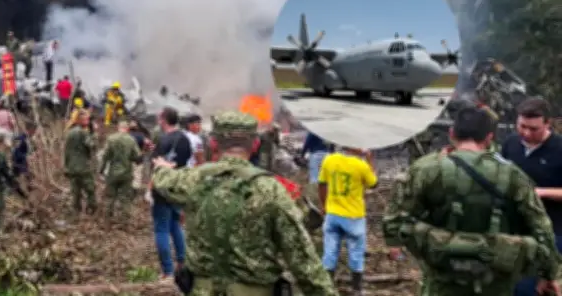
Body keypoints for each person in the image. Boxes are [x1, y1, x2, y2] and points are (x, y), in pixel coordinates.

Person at [151, 111, 338, 296]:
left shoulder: (193, 180)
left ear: (214, 143)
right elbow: (304, 262)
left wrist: (162, 168)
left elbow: (164, 180)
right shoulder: (271, 189)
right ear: (255, 144)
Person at [383, 106, 560, 296]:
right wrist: (550, 274)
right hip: (495, 276)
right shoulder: (513, 175)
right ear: (489, 138)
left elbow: (395, 220)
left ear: (451, 133)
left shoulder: (425, 169)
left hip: (443, 275)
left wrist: (412, 242)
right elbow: (541, 226)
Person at [499, 97, 562, 296]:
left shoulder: (559, 150)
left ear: (547, 124)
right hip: (513, 228)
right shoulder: (510, 143)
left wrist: (540, 193)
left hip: (550, 230)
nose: (526, 133)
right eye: (522, 126)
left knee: (528, 287)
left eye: (533, 129)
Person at [318, 147, 376, 294]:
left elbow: (322, 184)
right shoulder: (360, 165)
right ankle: (356, 289)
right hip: (353, 216)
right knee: (356, 253)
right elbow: (373, 183)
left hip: (333, 214)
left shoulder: (329, 160)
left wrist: (324, 206)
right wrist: (369, 160)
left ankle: (327, 286)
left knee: (330, 252)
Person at [148, 107, 191, 280]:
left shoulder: (164, 140)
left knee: (161, 229)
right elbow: (183, 161)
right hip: (178, 187)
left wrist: (150, 188)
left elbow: (156, 166)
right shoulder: (184, 139)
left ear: (163, 120)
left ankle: (167, 271)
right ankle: (183, 262)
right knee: (175, 225)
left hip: (162, 189)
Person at [100, 121, 143, 223]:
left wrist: (101, 170)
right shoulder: (131, 140)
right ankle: (124, 222)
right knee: (125, 198)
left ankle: (107, 219)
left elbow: (105, 156)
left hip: (113, 172)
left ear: (118, 127)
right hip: (126, 173)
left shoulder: (111, 139)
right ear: (127, 129)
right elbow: (137, 157)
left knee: (110, 197)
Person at [63, 111, 97, 214]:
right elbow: (91, 145)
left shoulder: (69, 132)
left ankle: (76, 212)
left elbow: (66, 152)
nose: (88, 121)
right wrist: (94, 133)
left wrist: (66, 166)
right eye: (87, 119)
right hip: (83, 166)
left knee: (76, 192)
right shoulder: (82, 132)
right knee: (90, 189)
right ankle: (91, 210)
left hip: (71, 167)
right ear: (80, 120)